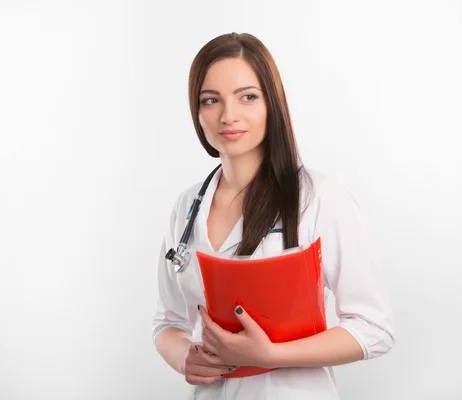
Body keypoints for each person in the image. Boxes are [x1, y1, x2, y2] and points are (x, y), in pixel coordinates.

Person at [151, 32, 395, 400]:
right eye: (210, 100)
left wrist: (273, 355)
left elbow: (374, 328)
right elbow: (167, 324)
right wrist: (186, 356)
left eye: (247, 97)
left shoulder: (319, 198)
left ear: (272, 104)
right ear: (196, 111)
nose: (228, 115)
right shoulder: (187, 208)